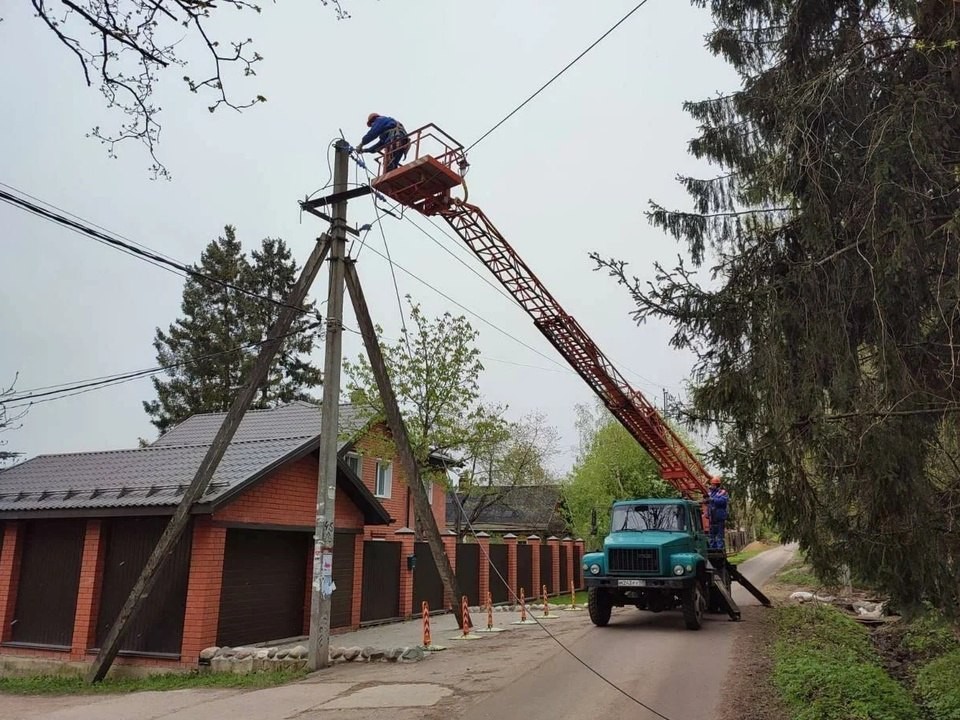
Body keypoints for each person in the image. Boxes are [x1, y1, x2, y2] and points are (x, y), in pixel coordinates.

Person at [707, 475, 729, 550]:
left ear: (717, 485)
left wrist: (713, 500)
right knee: (712, 534)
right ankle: (712, 548)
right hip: (712, 517)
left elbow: (723, 501)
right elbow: (709, 505)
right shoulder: (709, 493)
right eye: (711, 484)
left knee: (720, 534)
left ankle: (720, 549)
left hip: (719, 517)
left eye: (713, 484)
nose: (711, 485)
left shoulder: (722, 492)